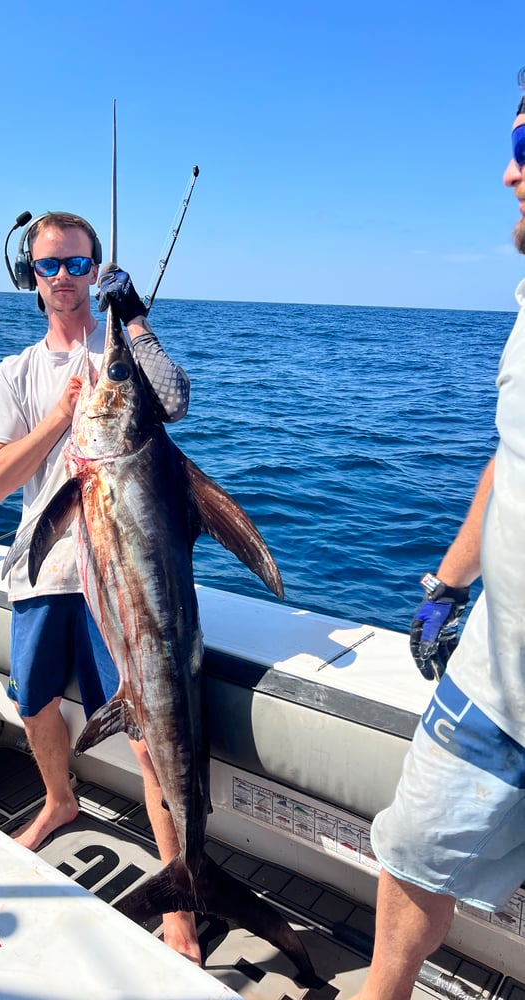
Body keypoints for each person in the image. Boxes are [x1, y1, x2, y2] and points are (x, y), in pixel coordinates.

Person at [0, 210, 200, 964]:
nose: (64, 278)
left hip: (120, 571)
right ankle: (60, 803)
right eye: (49, 266)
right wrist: (64, 417)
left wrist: (131, 318)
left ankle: (180, 890)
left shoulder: (120, 353)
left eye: (77, 264)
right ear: (28, 278)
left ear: (96, 266)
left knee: (144, 733)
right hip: (45, 571)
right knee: (34, 705)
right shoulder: (15, 374)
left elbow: (173, 398)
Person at [354, 77, 525, 1000]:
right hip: (493, 680)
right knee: (412, 854)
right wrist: (448, 587)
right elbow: (511, 461)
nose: (507, 174)